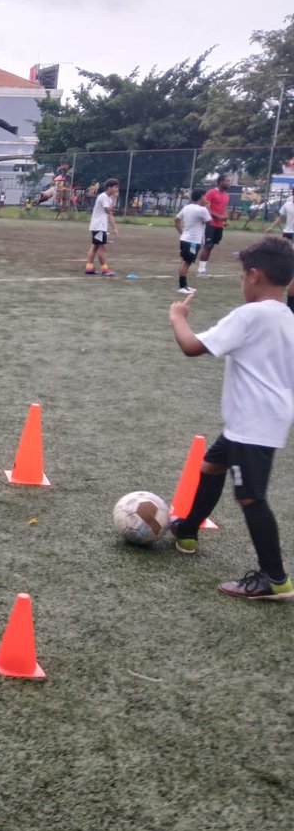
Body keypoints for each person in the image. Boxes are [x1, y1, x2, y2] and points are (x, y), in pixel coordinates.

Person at [168, 237, 294, 599]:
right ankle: (188, 531)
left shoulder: (250, 314)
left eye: (242, 274)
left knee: (251, 497)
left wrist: (178, 318)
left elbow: (192, 347)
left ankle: (275, 578)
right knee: (211, 466)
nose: (242, 281)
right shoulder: (285, 314)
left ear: (254, 275)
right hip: (256, 418)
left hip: (255, 422)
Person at [174, 189, 212, 294]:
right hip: (192, 241)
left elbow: (176, 220)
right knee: (187, 262)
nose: (206, 199)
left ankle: (184, 285)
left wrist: (181, 232)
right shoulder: (202, 210)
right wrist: (208, 208)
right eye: (205, 196)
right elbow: (210, 222)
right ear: (201, 197)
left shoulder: (187, 207)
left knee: (185, 261)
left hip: (185, 239)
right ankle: (182, 286)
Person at [84, 178, 119, 276]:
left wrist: (114, 228)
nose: (117, 190)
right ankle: (105, 270)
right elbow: (108, 210)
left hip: (100, 227)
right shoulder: (104, 197)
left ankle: (89, 268)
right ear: (110, 187)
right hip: (98, 227)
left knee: (95, 247)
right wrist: (114, 199)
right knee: (102, 248)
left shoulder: (107, 198)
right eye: (116, 187)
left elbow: (109, 214)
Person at [199, 173, 231, 276]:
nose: (229, 183)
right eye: (227, 181)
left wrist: (226, 219)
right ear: (220, 182)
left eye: (229, 181)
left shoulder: (226, 195)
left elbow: (223, 208)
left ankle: (203, 269)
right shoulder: (211, 193)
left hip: (219, 225)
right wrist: (217, 217)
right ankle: (201, 270)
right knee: (207, 245)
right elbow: (206, 207)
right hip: (210, 224)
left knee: (211, 246)